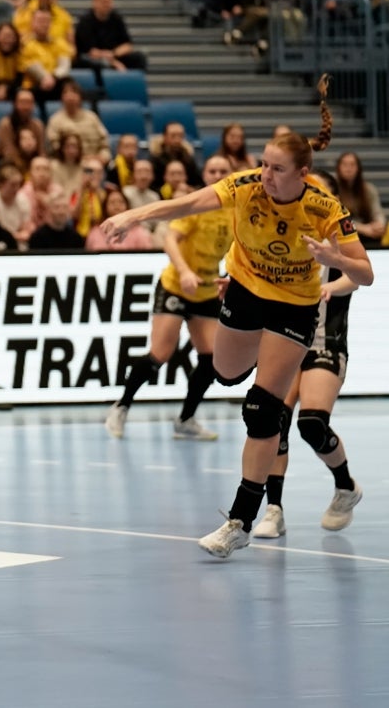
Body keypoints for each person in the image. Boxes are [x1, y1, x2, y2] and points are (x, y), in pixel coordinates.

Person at [101, 79, 374, 558]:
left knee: (262, 409)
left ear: (303, 174)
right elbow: (187, 203)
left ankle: (240, 521)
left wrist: (336, 256)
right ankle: (257, 370)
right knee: (225, 373)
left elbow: (366, 273)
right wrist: (133, 216)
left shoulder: (325, 208)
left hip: (295, 305)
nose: (265, 174)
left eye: (276, 169)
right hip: (245, 290)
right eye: (264, 164)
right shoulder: (246, 187)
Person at [252, 170, 364, 539]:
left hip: (324, 339)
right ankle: (274, 509)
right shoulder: (280, 230)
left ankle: (345, 486)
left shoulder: (338, 235)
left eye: (319, 190)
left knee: (311, 423)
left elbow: (359, 276)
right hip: (285, 338)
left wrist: (333, 282)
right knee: (273, 420)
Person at [104, 155, 234, 441]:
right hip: (176, 285)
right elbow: (170, 240)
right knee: (160, 353)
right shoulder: (196, 205)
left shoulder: (236, 210)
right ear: (204, 174)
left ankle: (186, 420)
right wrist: (185, 272)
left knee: (212, 359)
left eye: (223, 170)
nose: (217, 174)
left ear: (231, 174)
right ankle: (121, 406)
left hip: (207, 289)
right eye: (212, 170)